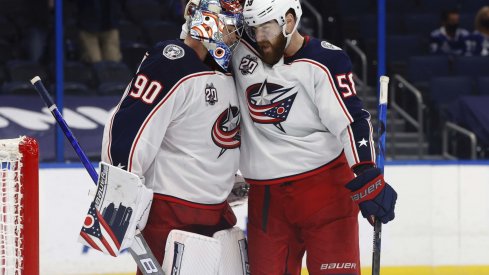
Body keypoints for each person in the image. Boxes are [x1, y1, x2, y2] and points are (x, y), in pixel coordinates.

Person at [231, 0, 398, 274]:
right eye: (253, 29)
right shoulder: (240, 51)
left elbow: (351, 120)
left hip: (326, 192)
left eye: (266, 28)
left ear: (288, 20)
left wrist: (366, 173)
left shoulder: (324, 60)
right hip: (267, 199)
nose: (259, 37)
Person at [100, 0, 244, 274]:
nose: (235, 37)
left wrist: (231, 180)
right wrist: (119, 192)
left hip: (216, 214)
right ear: (210, 22)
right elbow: (130, 128)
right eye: (231, 28)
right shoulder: (172, 61)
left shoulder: (228, 73)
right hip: (171, 215)